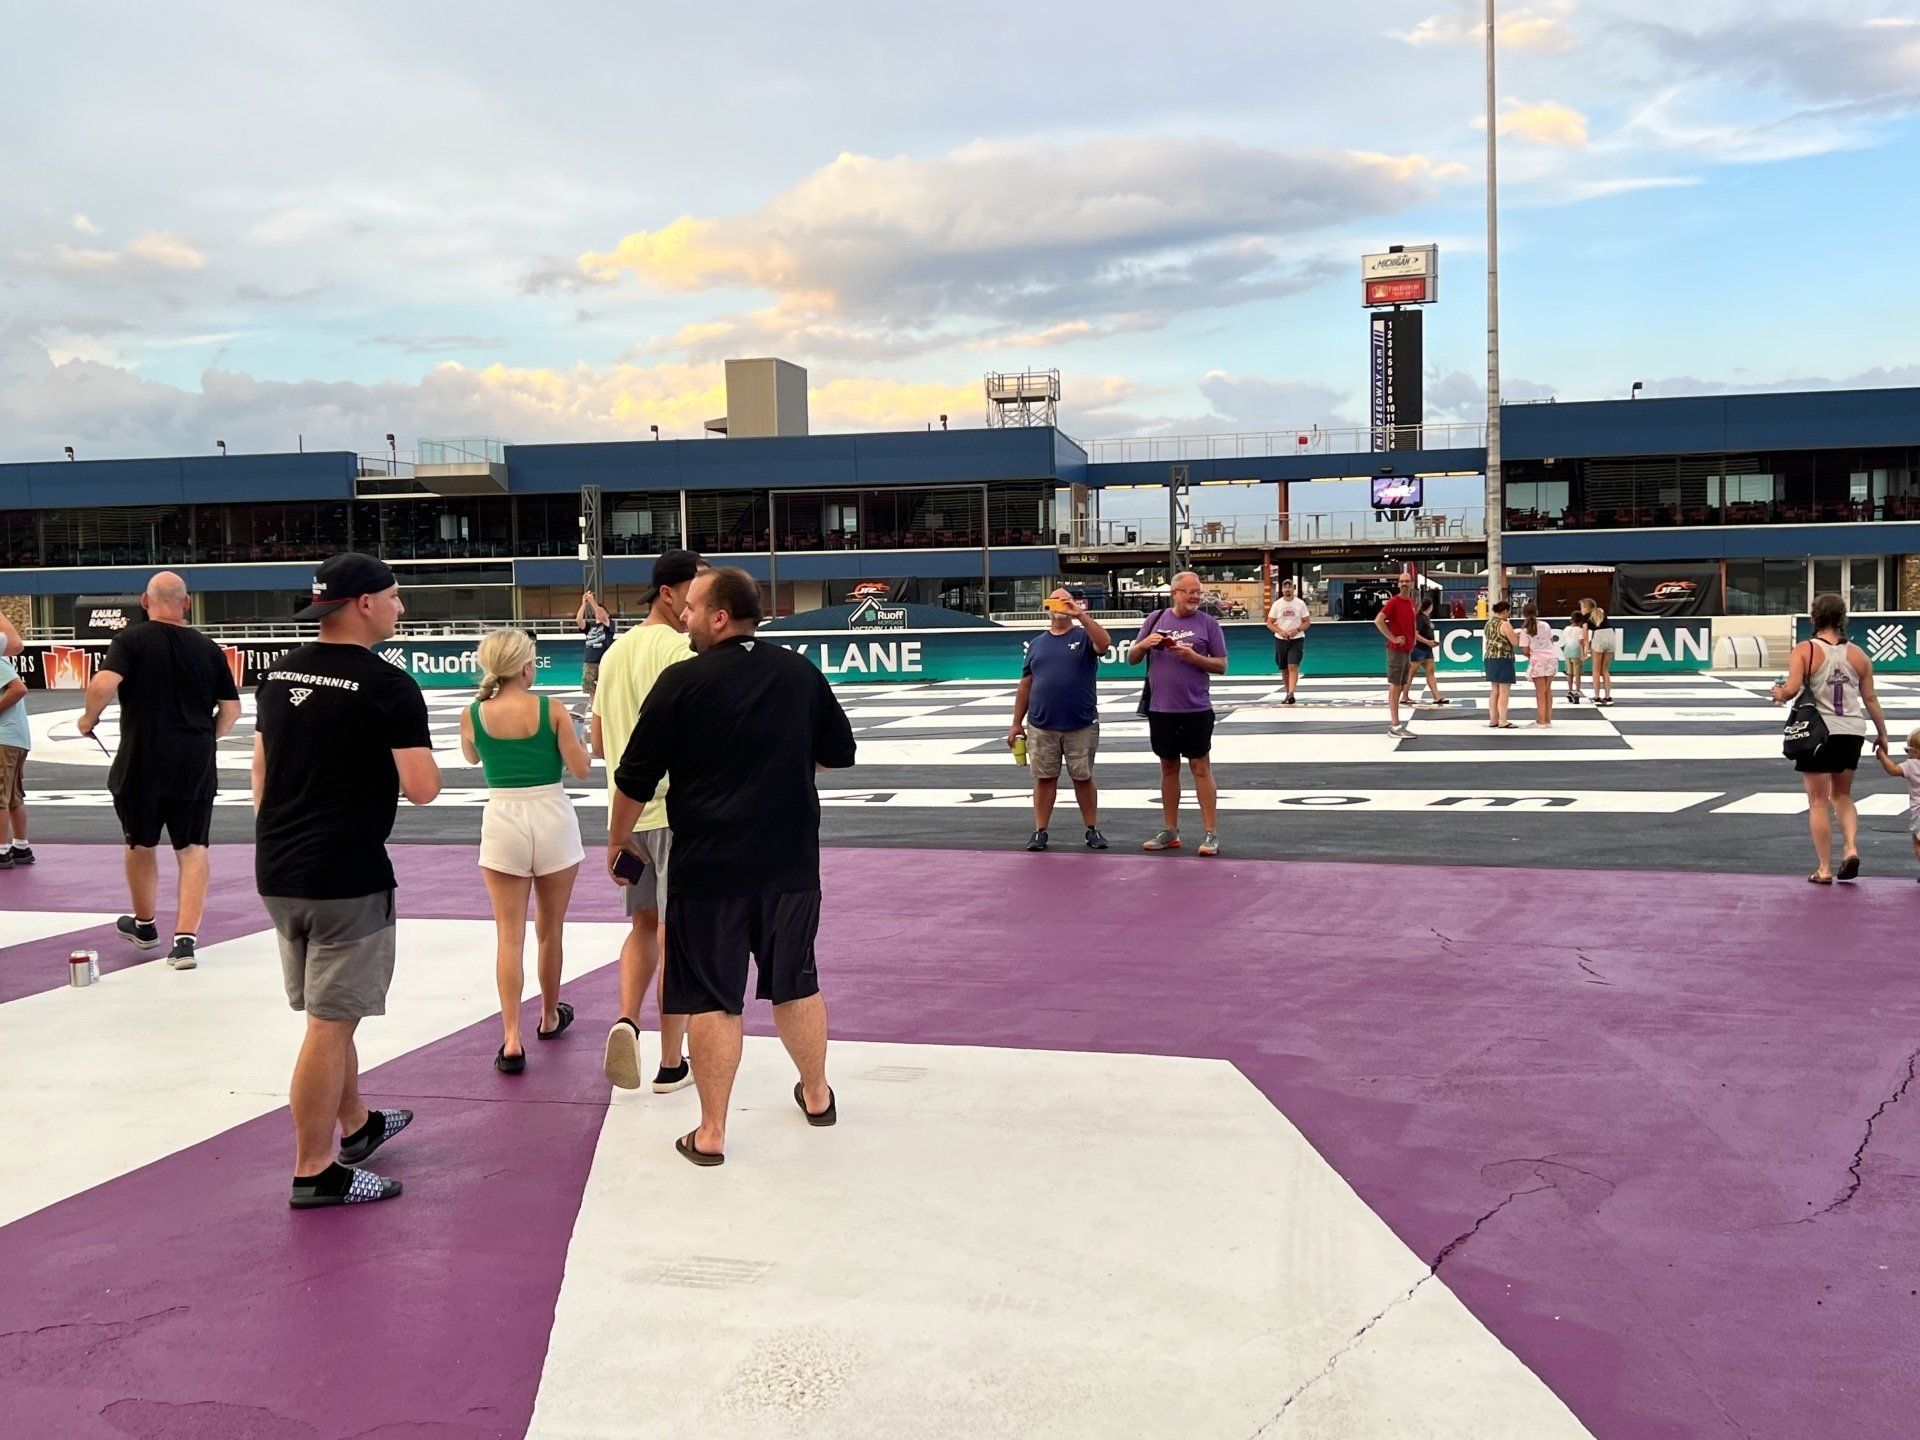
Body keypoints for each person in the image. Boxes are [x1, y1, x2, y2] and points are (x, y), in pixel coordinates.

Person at [607, 567, 856, 1167]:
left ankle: (712, 1132)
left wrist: (620, 841)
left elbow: (633, 777)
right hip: (789, 862)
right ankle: (817, 1096)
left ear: (719, 616)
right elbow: (838, 753)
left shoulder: (681, 682)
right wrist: (778, 775)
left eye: (693, 609)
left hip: (708, 868)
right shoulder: (798, 672)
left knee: (714, 997)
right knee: (797, 980)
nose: (685, 618)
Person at [253, 554, 441, 1208]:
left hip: (279, 869)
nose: (401, 609)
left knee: (328, 1014)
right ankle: (315, 1171)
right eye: (394, 597)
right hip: (346, 876)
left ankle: (356, 1125)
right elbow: (422, 788)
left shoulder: (278, 676)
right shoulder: (388, 686)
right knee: (330, 1024)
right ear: (363, 602)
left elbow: (260, 775)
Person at [76, 572, 242, 969]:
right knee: (193, 847)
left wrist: (88, 719)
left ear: (145, 603)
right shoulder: (209, 648)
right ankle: (185, 941)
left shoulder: (130, 640)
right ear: (186, 603)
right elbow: (232, 709)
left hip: (142, 761)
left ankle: (145, 925)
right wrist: (206, 737)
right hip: (194, 763)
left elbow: (104, 683)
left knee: (140, 842)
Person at [591, 549, 707, 1093]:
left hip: (627, 814)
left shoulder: (614, 654)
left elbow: (597, 740)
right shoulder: (683, 648)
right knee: (677, 935)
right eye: (696, 588)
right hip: (677, 814)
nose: (701, 600)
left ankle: (626, 1019)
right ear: (670, 593)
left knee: (641, 928)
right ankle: (670, 1062)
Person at [461, 628, 591, 1074]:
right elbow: (580, 769)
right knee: (549, 931)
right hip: (551, 815)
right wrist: (580, 733)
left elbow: (473, 759)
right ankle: (550, 1015)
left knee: (509, 936)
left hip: (503, 820)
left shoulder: (474, 713)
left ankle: (512, 1037)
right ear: (523, 666)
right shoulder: (551, 709)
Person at [1770, 593, 1890, 884]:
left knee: (1818, 802)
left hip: (1819, 734)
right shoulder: (1859, 655)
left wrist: (1778, 693)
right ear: (1842, 619)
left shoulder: (1805, 650)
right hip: (1852, 731)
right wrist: (1882, 733)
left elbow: (1791, 689)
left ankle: (1823, 869)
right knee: (1843, 796)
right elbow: (1870, 698)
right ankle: (1850, 848)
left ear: (1814, 618)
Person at [1128, 572, 1228, 856]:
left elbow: (1222, 666)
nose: (1195, 596)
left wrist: (1193, 657)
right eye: (1189, 591)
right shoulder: (1155, 619)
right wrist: (1144, 644)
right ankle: (1170, 830)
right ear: (1175, 593)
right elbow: (1132, 659)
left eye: (1198, 592)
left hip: (1196, 708)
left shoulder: (1209, 624)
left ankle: (1211, 832)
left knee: (1200, 766)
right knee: (1168, 767)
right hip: (1162, 709)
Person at [1007, 587, 1111, 851]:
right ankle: (1040, 830)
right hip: (1042, 724)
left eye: (1067, 601)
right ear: (1048, 607)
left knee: (1083, 777)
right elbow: (1025, 685)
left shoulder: (1084, 636)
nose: (1062, 606)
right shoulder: (1037, 644)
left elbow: (1104, 644)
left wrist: (1081, 616)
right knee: (1044, 778)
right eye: (1057, 601)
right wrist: (1016, 723)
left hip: (1081, 723)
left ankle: (1092, 829)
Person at [1373, 573, 1420, 739]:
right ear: (1398, 584)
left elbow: (1412, 622)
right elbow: (1378, 620)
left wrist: (1413, 639)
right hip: (1396, 650)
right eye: (1402, 581)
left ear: (1412, 583)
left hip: (1406, 649)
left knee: (1400, 685)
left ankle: (1396, 723)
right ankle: (1395, 725)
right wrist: (1392, 638)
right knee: (1395, 686)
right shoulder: (1394, 602)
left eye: (1407, 581)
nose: (1404, 584)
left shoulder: (1411, 602)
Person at [1872, 727, 1920, 881]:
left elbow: (1893, 769)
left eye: (1909, 751)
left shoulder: (1912, 765)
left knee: (1918, 840)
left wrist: (1882, 755)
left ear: (1916, 753)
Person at [0, 653, 29, 870]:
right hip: (15, 738)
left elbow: (19, 688)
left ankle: (1, 851)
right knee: (13, 796)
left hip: (4, 737)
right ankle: (20, 846)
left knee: (1, 795)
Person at [1265, 578, 1311, 705]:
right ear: (1282, 590)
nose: (1287, 590)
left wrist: (1297, 629)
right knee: (1284, 667)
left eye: (1289, 587)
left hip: (1296, 639)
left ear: (1293, 589)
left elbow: (1307, 621)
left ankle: (1291, 693)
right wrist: (1280, 631)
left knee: (1293, 665)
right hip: (1281, 639)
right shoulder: (1277, 604)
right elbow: (1269, 623)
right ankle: (1287, 693)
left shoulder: (1300, 604)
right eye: (1285, 587)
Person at [1520, 602, 1557, 727]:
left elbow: (1525, 650)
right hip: (1551, 658)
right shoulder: (1545, 625)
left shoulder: (1525, 630)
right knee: (1548, 690)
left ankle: (1541, 720)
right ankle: (1548, 719)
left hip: (1537, 660)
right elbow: (1551, 641)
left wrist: (1532, 654)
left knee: (1540, 692)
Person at [1410, 592, 1449, 707]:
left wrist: (1431, 642)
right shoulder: (1420, 618)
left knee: (1430, 672)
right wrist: (1428, 642)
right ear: (1430, 606)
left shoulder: (1426, 618)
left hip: (1427, 649)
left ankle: (1436, 697)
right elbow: (1415, 635)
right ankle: (1405, 696)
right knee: (1411, 672)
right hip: (1419, 648)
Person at [575, 591, 616, 700]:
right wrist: (584, 603)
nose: (598, 613)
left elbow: (602, 616)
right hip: (590, 662)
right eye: (597, 611)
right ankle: (594, 713)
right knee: (591, 692)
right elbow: (579, 620)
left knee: (605, 690)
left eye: (602, 611)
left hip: (603, 662)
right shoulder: (590, 626)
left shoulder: (609, 624)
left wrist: (592, 601)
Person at [1484, 599, 1518, 729]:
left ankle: (1493, 719)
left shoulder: (1488, 623)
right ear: (1504, 612)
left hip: (1490, 657)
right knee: (1504, 691)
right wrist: (1519, 636)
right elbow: (1514, 642)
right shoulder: (1505, 624)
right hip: (1503, 658)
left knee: (1494, 690)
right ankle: (1503, 720)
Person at [1583, 597, 1616, 705]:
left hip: (1599, 637)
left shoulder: (1586, 617)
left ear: (1585, 607)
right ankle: (1608, 697)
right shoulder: (1601, 612)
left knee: (1596, 669)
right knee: (1605, 670)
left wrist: (1586, 650)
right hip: (1610, 635)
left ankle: (1597, 697)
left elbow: (1585, 636)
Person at [1561, 611, 1587, 704]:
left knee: (1569, 673)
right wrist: (1583, 653)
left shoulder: (1566, 629)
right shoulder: (1580, 630)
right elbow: (1581, 642)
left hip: (1567, 652)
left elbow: (1564, 638)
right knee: (1577, 674)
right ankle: (1577, 691)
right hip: (1577, 653)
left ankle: (1569, 690)